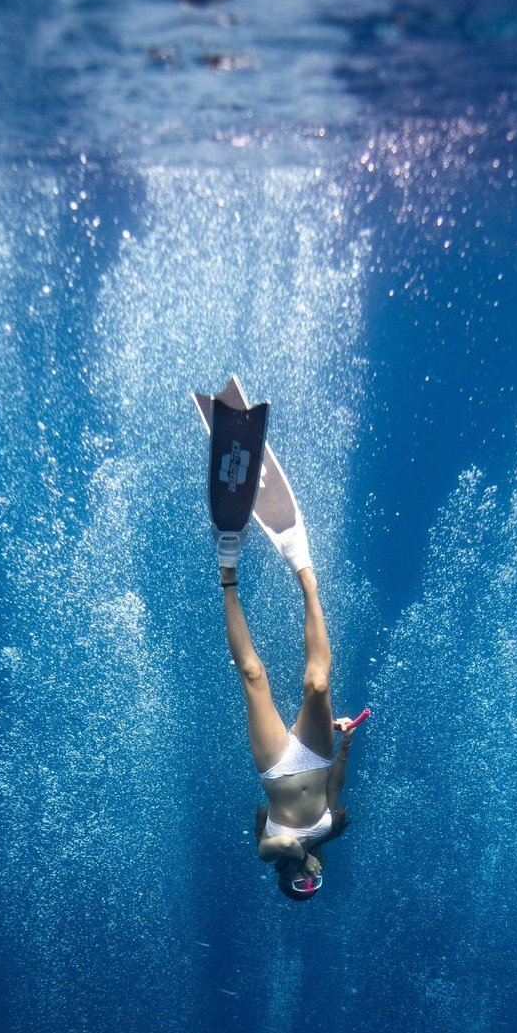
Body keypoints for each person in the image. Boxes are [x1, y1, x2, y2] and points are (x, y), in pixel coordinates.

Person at [194, 378, 362, 902]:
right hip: (314, 757)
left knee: (254, 676)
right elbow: (336, 788)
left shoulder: (271, 851)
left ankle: (228, 567)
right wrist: (347, 739)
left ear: (286, 881)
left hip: (275, 768)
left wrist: (294, 854)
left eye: (300, 884)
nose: (307, 876)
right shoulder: (333, 830)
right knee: (318, 682)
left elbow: (278, 845)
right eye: (314, 881)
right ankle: (303, 567)